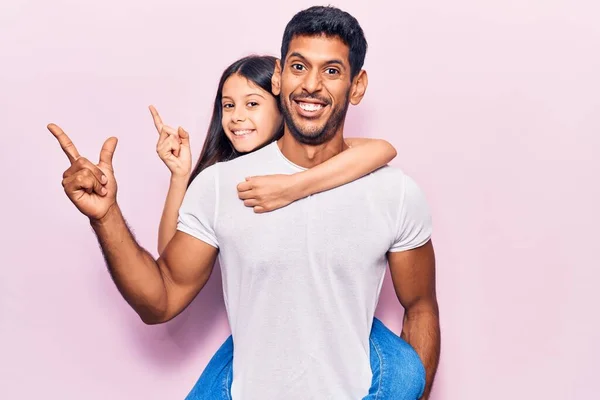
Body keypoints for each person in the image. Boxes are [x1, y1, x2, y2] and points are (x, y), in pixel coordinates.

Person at [48, 5, 440, 399]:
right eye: (299, 67)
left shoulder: (395, 193)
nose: (312, 85)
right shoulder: (220, 185)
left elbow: (421, 307)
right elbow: (161, 300)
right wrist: (106, 216)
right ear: (279, 77)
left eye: (332, 71)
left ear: (357, 86)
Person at [149, 54, 425, 399]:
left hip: (339, 318)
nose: (236, 117)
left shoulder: (320, 153)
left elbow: (382, 149)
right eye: (228, 105)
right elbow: (169, 263)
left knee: (402, 371)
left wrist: (293, 186)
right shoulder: (222, 181)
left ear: (282, 101)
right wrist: (179, 177)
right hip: (266, 331)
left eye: (252, 103)